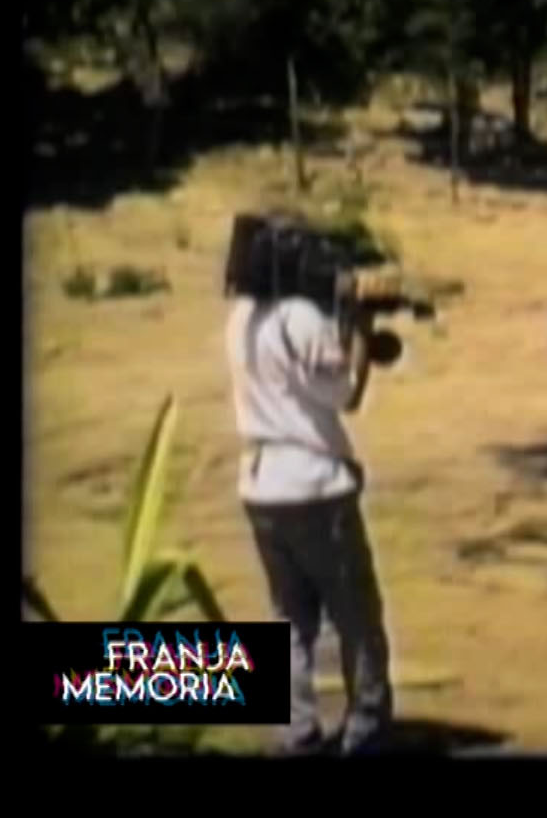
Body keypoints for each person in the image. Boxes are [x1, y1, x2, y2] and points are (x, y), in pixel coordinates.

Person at [223, 214, 393, 757]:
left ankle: (296, 731)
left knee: (290, 618)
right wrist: (360, 328)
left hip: (260, 483)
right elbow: (345, 392)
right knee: (356, 616)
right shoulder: (298, 317)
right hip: (315, 484)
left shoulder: (240, 318)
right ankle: (366, 727)